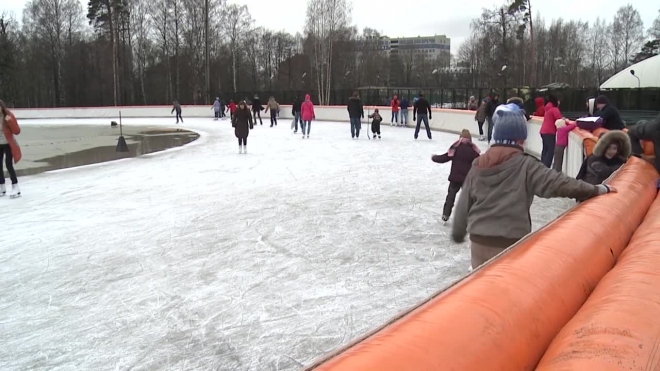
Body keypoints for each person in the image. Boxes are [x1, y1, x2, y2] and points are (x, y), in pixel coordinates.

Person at [451, 103, 617, 270]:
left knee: (482, 288)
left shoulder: (478, 164)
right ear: (520, 138)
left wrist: (458, 231)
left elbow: (464, 201)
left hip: (479, 240)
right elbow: (558, 183)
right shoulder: (526, 165)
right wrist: (596, 189)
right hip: (511, 242)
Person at [432, 129, 480, 222]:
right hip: (467, 179)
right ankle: (471, 216)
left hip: (455, 178)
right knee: (468, 199)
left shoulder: (455, 148)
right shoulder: (473, 150)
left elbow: (445, 157)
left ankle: (446, 214)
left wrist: (435, 158)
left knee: (451, 196)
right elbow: (480, 162)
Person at [0, 100, 22, 198]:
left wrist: (10, 121)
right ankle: (2, 187)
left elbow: (17, 131)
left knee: (9, 165)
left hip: (8, 144)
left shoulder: (8, 116)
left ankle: (15, 187)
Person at [540, 95, 563, 167]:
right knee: (551, 150)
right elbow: (559, 119)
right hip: (550, 132)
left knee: (545, 149)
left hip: (543, 131)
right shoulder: (554, 109)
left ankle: (542, 165)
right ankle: (546, 166)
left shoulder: (547, 109)